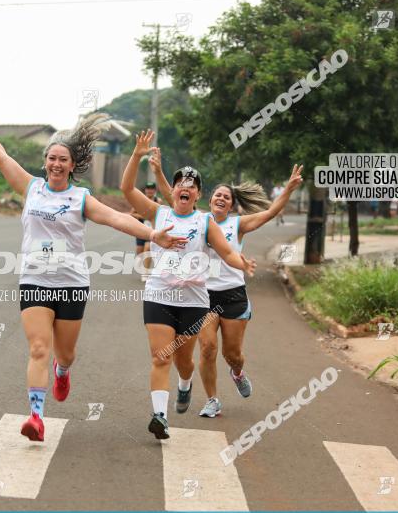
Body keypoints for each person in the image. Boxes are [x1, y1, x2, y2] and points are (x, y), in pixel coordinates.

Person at [0, 100, 186, 442]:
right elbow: (0, 156)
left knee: (64, 353)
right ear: (45, 162)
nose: (55, 163)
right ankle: (36, 416)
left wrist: (153, 233)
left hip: (71, 284)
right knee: (38, 347)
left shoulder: (81, 198)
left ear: (71, 165)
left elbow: (118, 218)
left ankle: (62, 371)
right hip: (35, 279)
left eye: (62, 159)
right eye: (51, 158)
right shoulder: (31, 188)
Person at [121, 130, 257, 440]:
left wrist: (242, 263)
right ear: (174, 191)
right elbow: (126, 188)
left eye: (191, 184)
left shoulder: (205, 222)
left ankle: (185, 384)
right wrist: (136, 156)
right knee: (160, 357)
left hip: (194, 301)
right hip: (159, 294)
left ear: (198, 194)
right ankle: (160, 416)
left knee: (184, 362)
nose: (185, 186)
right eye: (181, 182)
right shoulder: (158, 213)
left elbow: (226, 252)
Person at [152, 156, 303, 418]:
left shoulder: (237, 225)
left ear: (232, 205)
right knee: (208, 347)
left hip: (233, 294)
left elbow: (270, 213)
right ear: (208, 200)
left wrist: (288, 189)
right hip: (204, 294)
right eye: (218, 195)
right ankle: (212, 399)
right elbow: (172, 194)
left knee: (232, 354)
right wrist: (157, 170)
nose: (221, 199)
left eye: (227, 197)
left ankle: (237, 372)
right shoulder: (198, 220)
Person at [130, 179, 163, 281]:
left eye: (152, 189)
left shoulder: (158, 201)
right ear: (145, 190)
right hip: (141, 229)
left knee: (147, 249)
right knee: (140, 253)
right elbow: (132, 213)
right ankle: (144, 265)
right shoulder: (140, 200)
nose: (150, 191)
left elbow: (161, 214)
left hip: (152, 230)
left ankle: (145, 272)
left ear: (155, 190)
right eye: (148, 189)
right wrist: (143, 216)